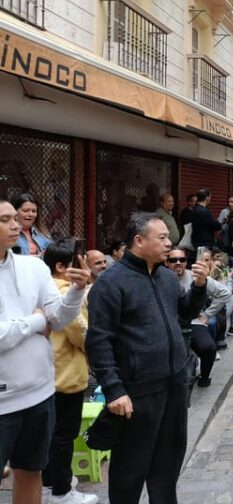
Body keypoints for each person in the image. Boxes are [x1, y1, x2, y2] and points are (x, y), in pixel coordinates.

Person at [86, 213, 208, 503]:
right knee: (130, 467)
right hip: (137, 391)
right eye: (162, 238)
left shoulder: (166, 276)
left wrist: (200, 287)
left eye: (169, 237)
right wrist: (114, 389)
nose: (170, 244)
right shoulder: (112, 283)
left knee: (168, 462)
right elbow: (99, 341)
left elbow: (185, 312)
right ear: (139, 241)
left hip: (175, 384)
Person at [0, 197, 89, 504]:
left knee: (30, 472)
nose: (15, 225)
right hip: (3, 401)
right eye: (4, 219)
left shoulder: (33, 267)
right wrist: (37, 321)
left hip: (39, 392)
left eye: (15, 217)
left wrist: (76, 292)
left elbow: (60, 317)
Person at [42, 239, 98, 504]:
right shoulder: (67, 294)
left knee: (49, 434)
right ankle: (61, 490)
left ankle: (50, 482)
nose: (85, 267)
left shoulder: (42, 289)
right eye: (80, 262)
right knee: (63, 435)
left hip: (46, 376)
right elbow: (82, 334)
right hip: (65, 375)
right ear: (62, 266)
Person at [166, 248, 225, 387]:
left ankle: (204, 376)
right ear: (166, 262)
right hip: (169, 324)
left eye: (182, 260)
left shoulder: (195, 276)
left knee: (208, 348)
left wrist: (207, 314)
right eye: (173, 260)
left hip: (192, 323)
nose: (178, 263)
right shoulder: (161, 278)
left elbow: (224, 293)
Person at [191, 188, 221, 254]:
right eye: (210, 197)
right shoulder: (204, 211)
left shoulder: (194, 209)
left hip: (197, 242)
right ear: (207, 198)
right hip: (205, 243)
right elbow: (216, 225)